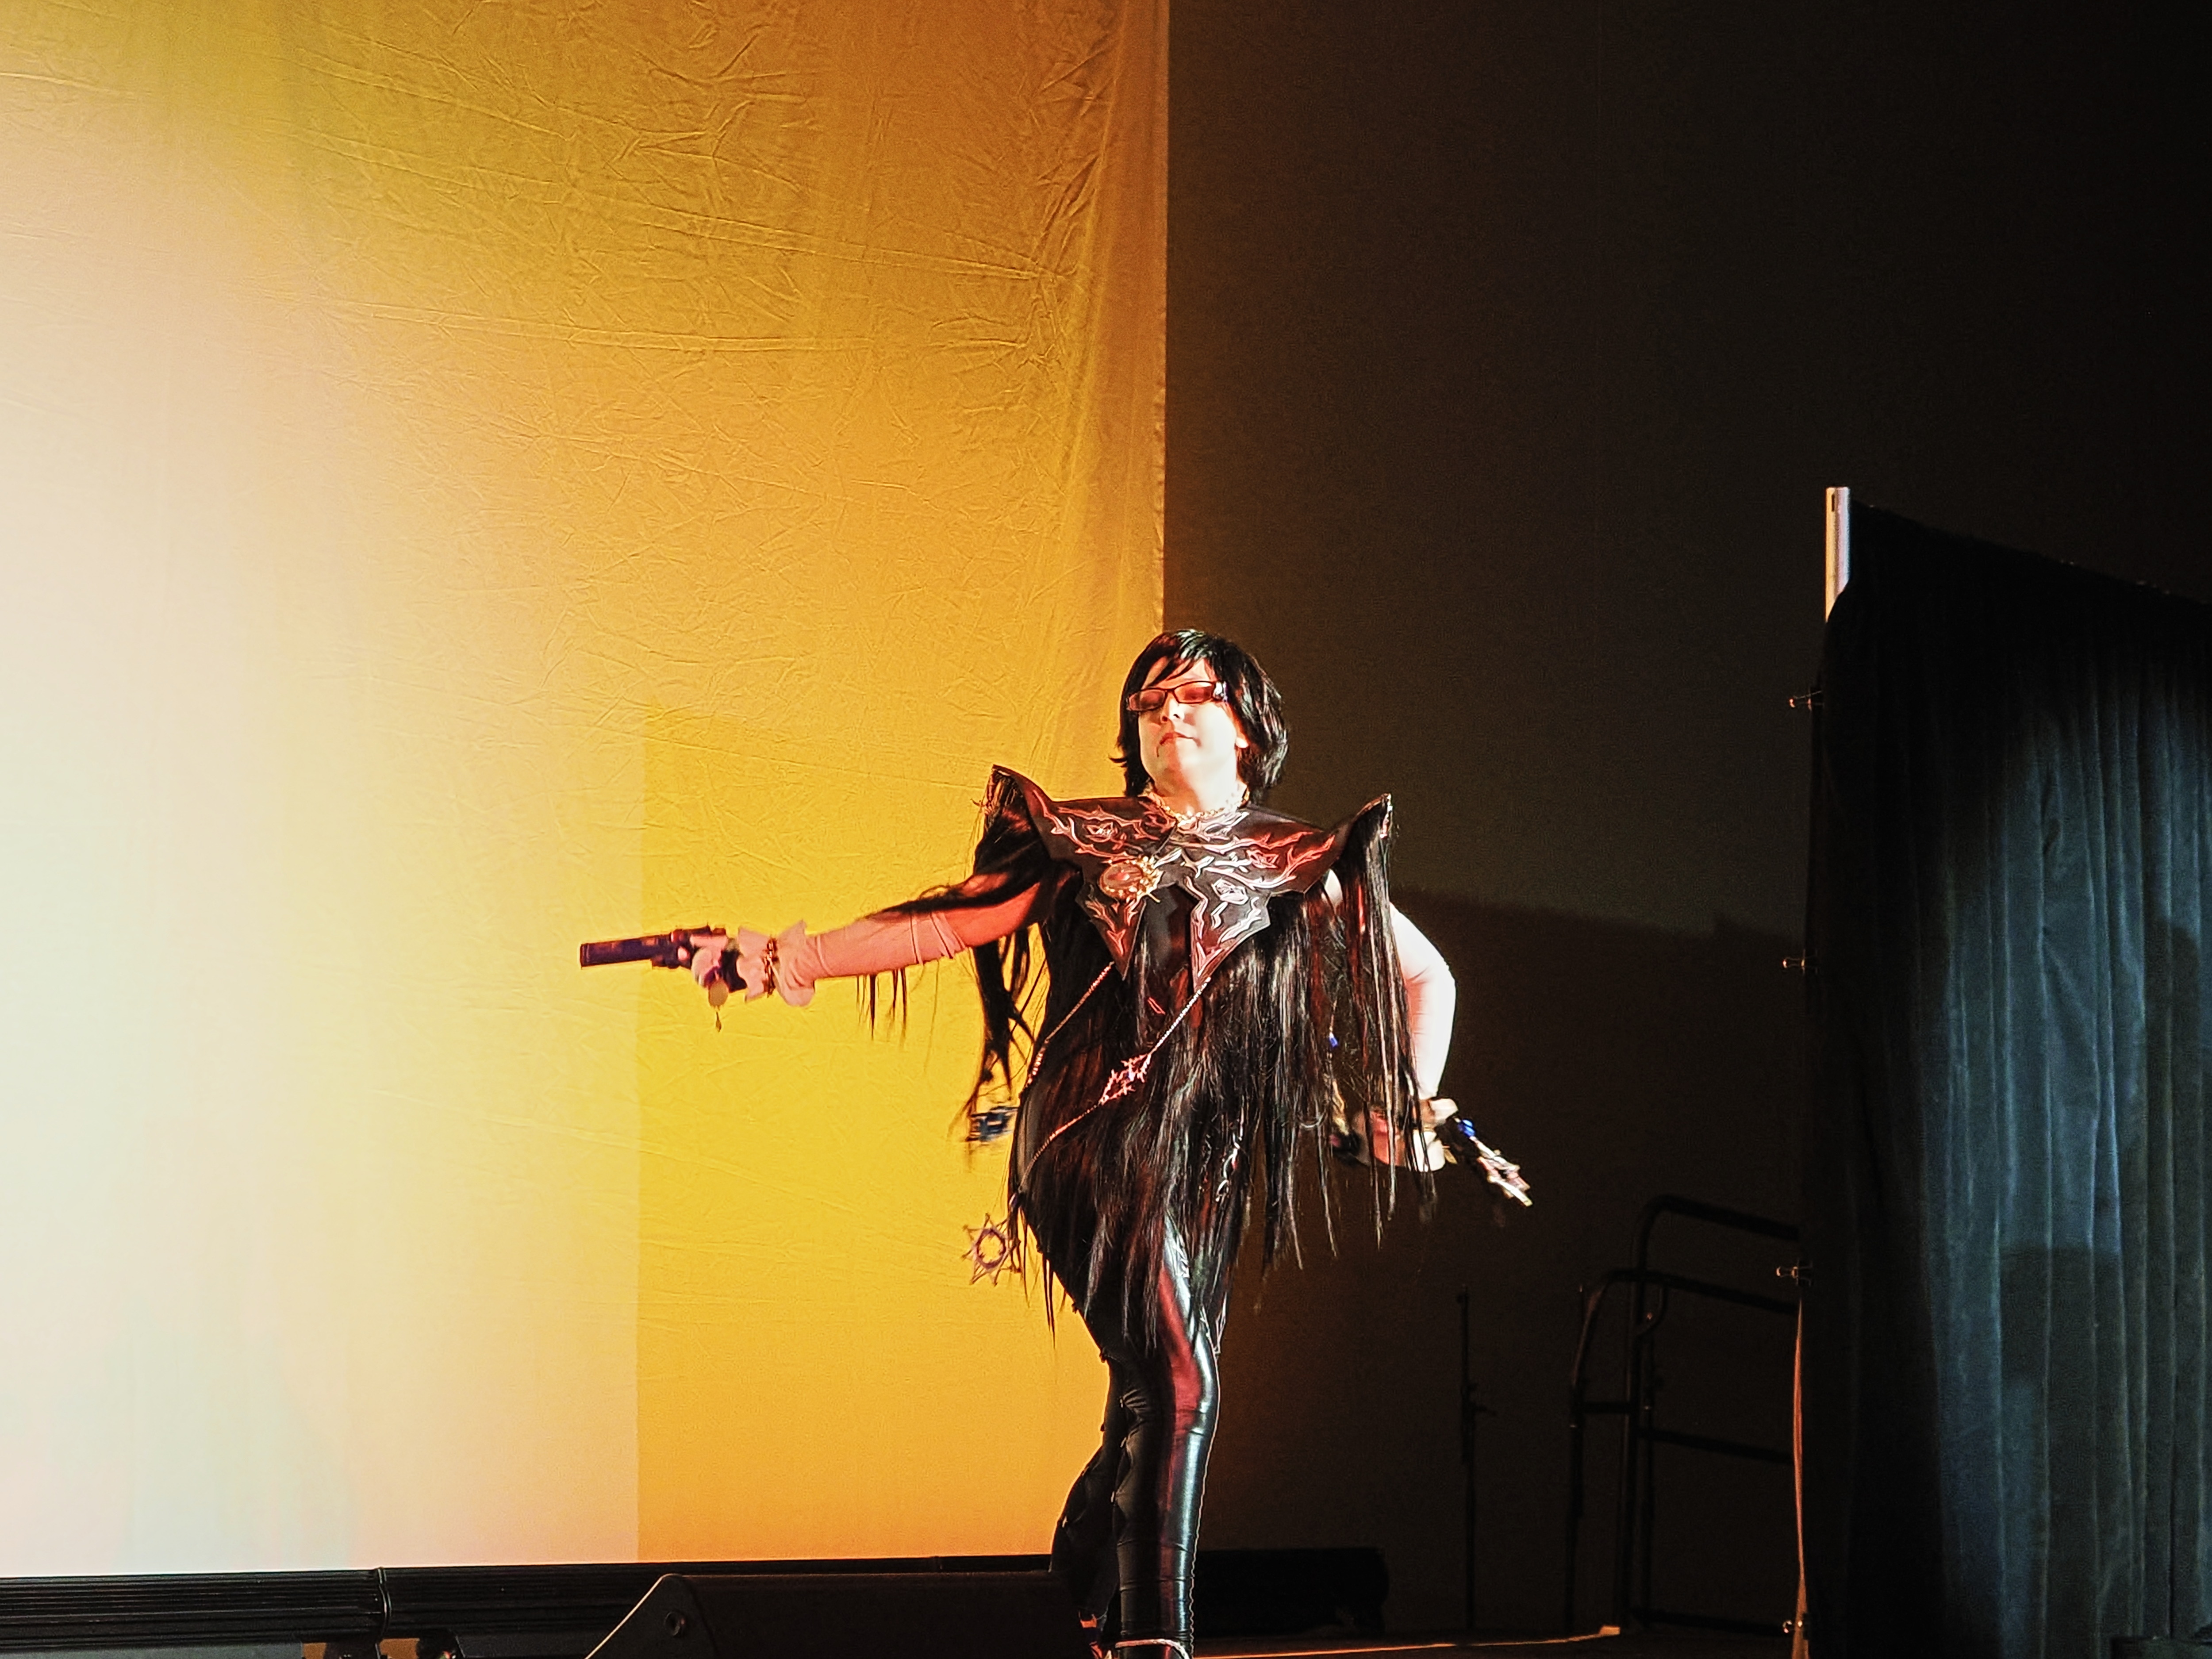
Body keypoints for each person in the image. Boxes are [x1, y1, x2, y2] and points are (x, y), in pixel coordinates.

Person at [688, 630, 1477, 1659]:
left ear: (1248, 726)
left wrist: (1405, 1103)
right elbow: (947, 925)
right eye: (1149, 703)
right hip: (1089, 1135)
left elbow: (1424, 976)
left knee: (1146, 1400)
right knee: (1182, 1387)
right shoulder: (1084, 838)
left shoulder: (1293, 858)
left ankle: (1060, 1612)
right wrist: (785, 960)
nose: (1169, 714)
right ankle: (1156, 1641)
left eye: (1193, 696)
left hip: (1201, 1160)